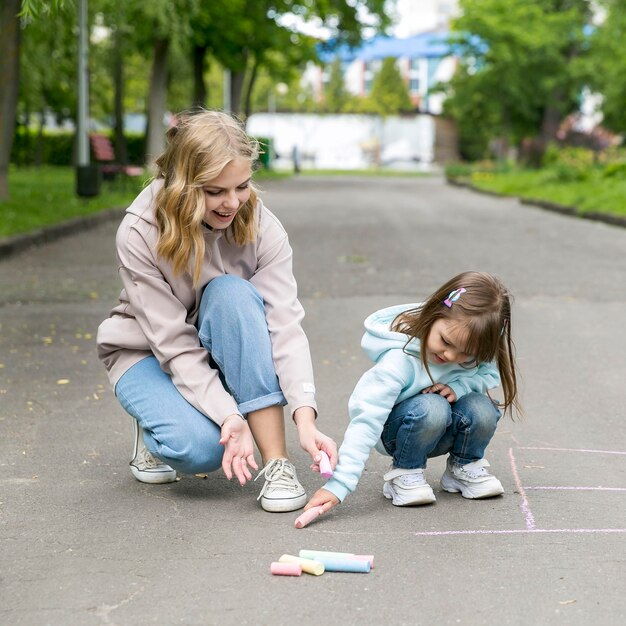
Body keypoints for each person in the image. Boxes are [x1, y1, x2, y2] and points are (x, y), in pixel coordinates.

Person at [96, 110, 337, 513]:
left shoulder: (261, 224)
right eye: (214, 192)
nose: (232, 203)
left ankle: (277, 463)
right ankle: (153, 420)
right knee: (203, 449)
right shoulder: (139, 232)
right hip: (148, 353)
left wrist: (304, 415)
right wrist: (228, 415)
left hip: (220, 346)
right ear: (182, 185)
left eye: (241, 186)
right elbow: (172, 343)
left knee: (230, 294)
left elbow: (284, 327)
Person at [305, 271, 520, 515]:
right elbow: (366, 421)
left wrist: (459, 387)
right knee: (432, 406)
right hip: (397, 433)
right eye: (446, 342)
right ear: (434, 313)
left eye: (466, 354)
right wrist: (339, 485)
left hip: (441, 429)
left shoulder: (475, 348)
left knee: (482, 407)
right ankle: (406, 472)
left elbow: (488, 375)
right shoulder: (399, 360)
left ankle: (463, 467)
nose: (451, 357)